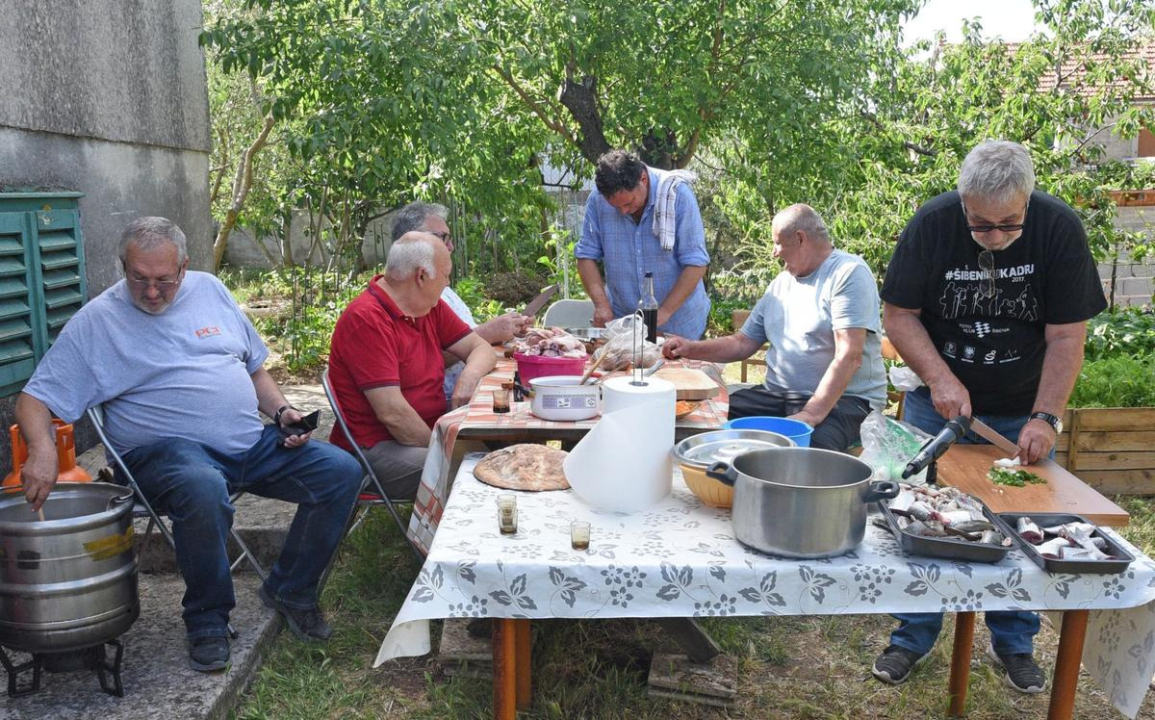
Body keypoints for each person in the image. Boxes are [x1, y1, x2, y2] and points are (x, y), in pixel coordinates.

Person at [15, 217, 363, 673]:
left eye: (164, 279)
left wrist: (282, 413)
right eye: (139, 278)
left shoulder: (210, 290)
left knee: (341, 472)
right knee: (201, 485)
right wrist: (41, 450)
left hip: (247, 445)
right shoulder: (97, 322)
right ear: (122, 266)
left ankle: (290, 590)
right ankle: (207, 619)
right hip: (163, 458)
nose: (152, 291)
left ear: (184, 266)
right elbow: (34, 399)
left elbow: (253, 369)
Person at [873, 140, 1107, 693]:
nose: (995, 237)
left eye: (1008, 224)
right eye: (980, 224)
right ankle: (911, 636)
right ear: (963, 202)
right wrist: (940, 378)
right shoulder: (932, 225)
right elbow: (899, 314)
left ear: (1028, 200)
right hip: (938, 405)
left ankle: (1015, 643)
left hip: (1023, 409)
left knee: (1022, 525)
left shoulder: (1058, 229)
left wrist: (1046, 415)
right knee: (924, 516)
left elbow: (1067, 335)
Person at [663, 204, 886, 452]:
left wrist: (810, 414)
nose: (773, 253)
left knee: (811, 452)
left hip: (845, 402)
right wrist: (689, 348)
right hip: (778, 396)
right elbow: (742, 343)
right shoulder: (781, 284)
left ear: (800, 239)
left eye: (778, 243)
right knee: (702, 420)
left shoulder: (848, 273)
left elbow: (849, 356)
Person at [327, 232, 496, 500]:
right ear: (421, 276)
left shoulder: (427, 306)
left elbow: (482, 348)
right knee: (476, 471)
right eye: (446, 275)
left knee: (503, 452)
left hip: (426, 431)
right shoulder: (367, 319)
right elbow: (394, 415)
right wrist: (447, 448)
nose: (448, 283)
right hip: (376, 446)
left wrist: (469, 375)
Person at [390, 202, 531, 405]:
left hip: (462, 397)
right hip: (445, 404)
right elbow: (396, 405)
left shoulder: (436, 294)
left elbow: (476, 346)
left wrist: (470, 375)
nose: (451, 246)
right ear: (412, 241)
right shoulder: (376, 314)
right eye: (443, 237)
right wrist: (488, 332)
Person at [575, 149, 711, 339]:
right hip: (625, 327)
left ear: (643, 179)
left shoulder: (677, 195)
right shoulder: (597, 200)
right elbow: (585, 256)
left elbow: (696, 264)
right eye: (616, 207)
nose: (623, 212)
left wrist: (664, 312)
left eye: (628, 203)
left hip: (680, 326)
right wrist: (601, 305)